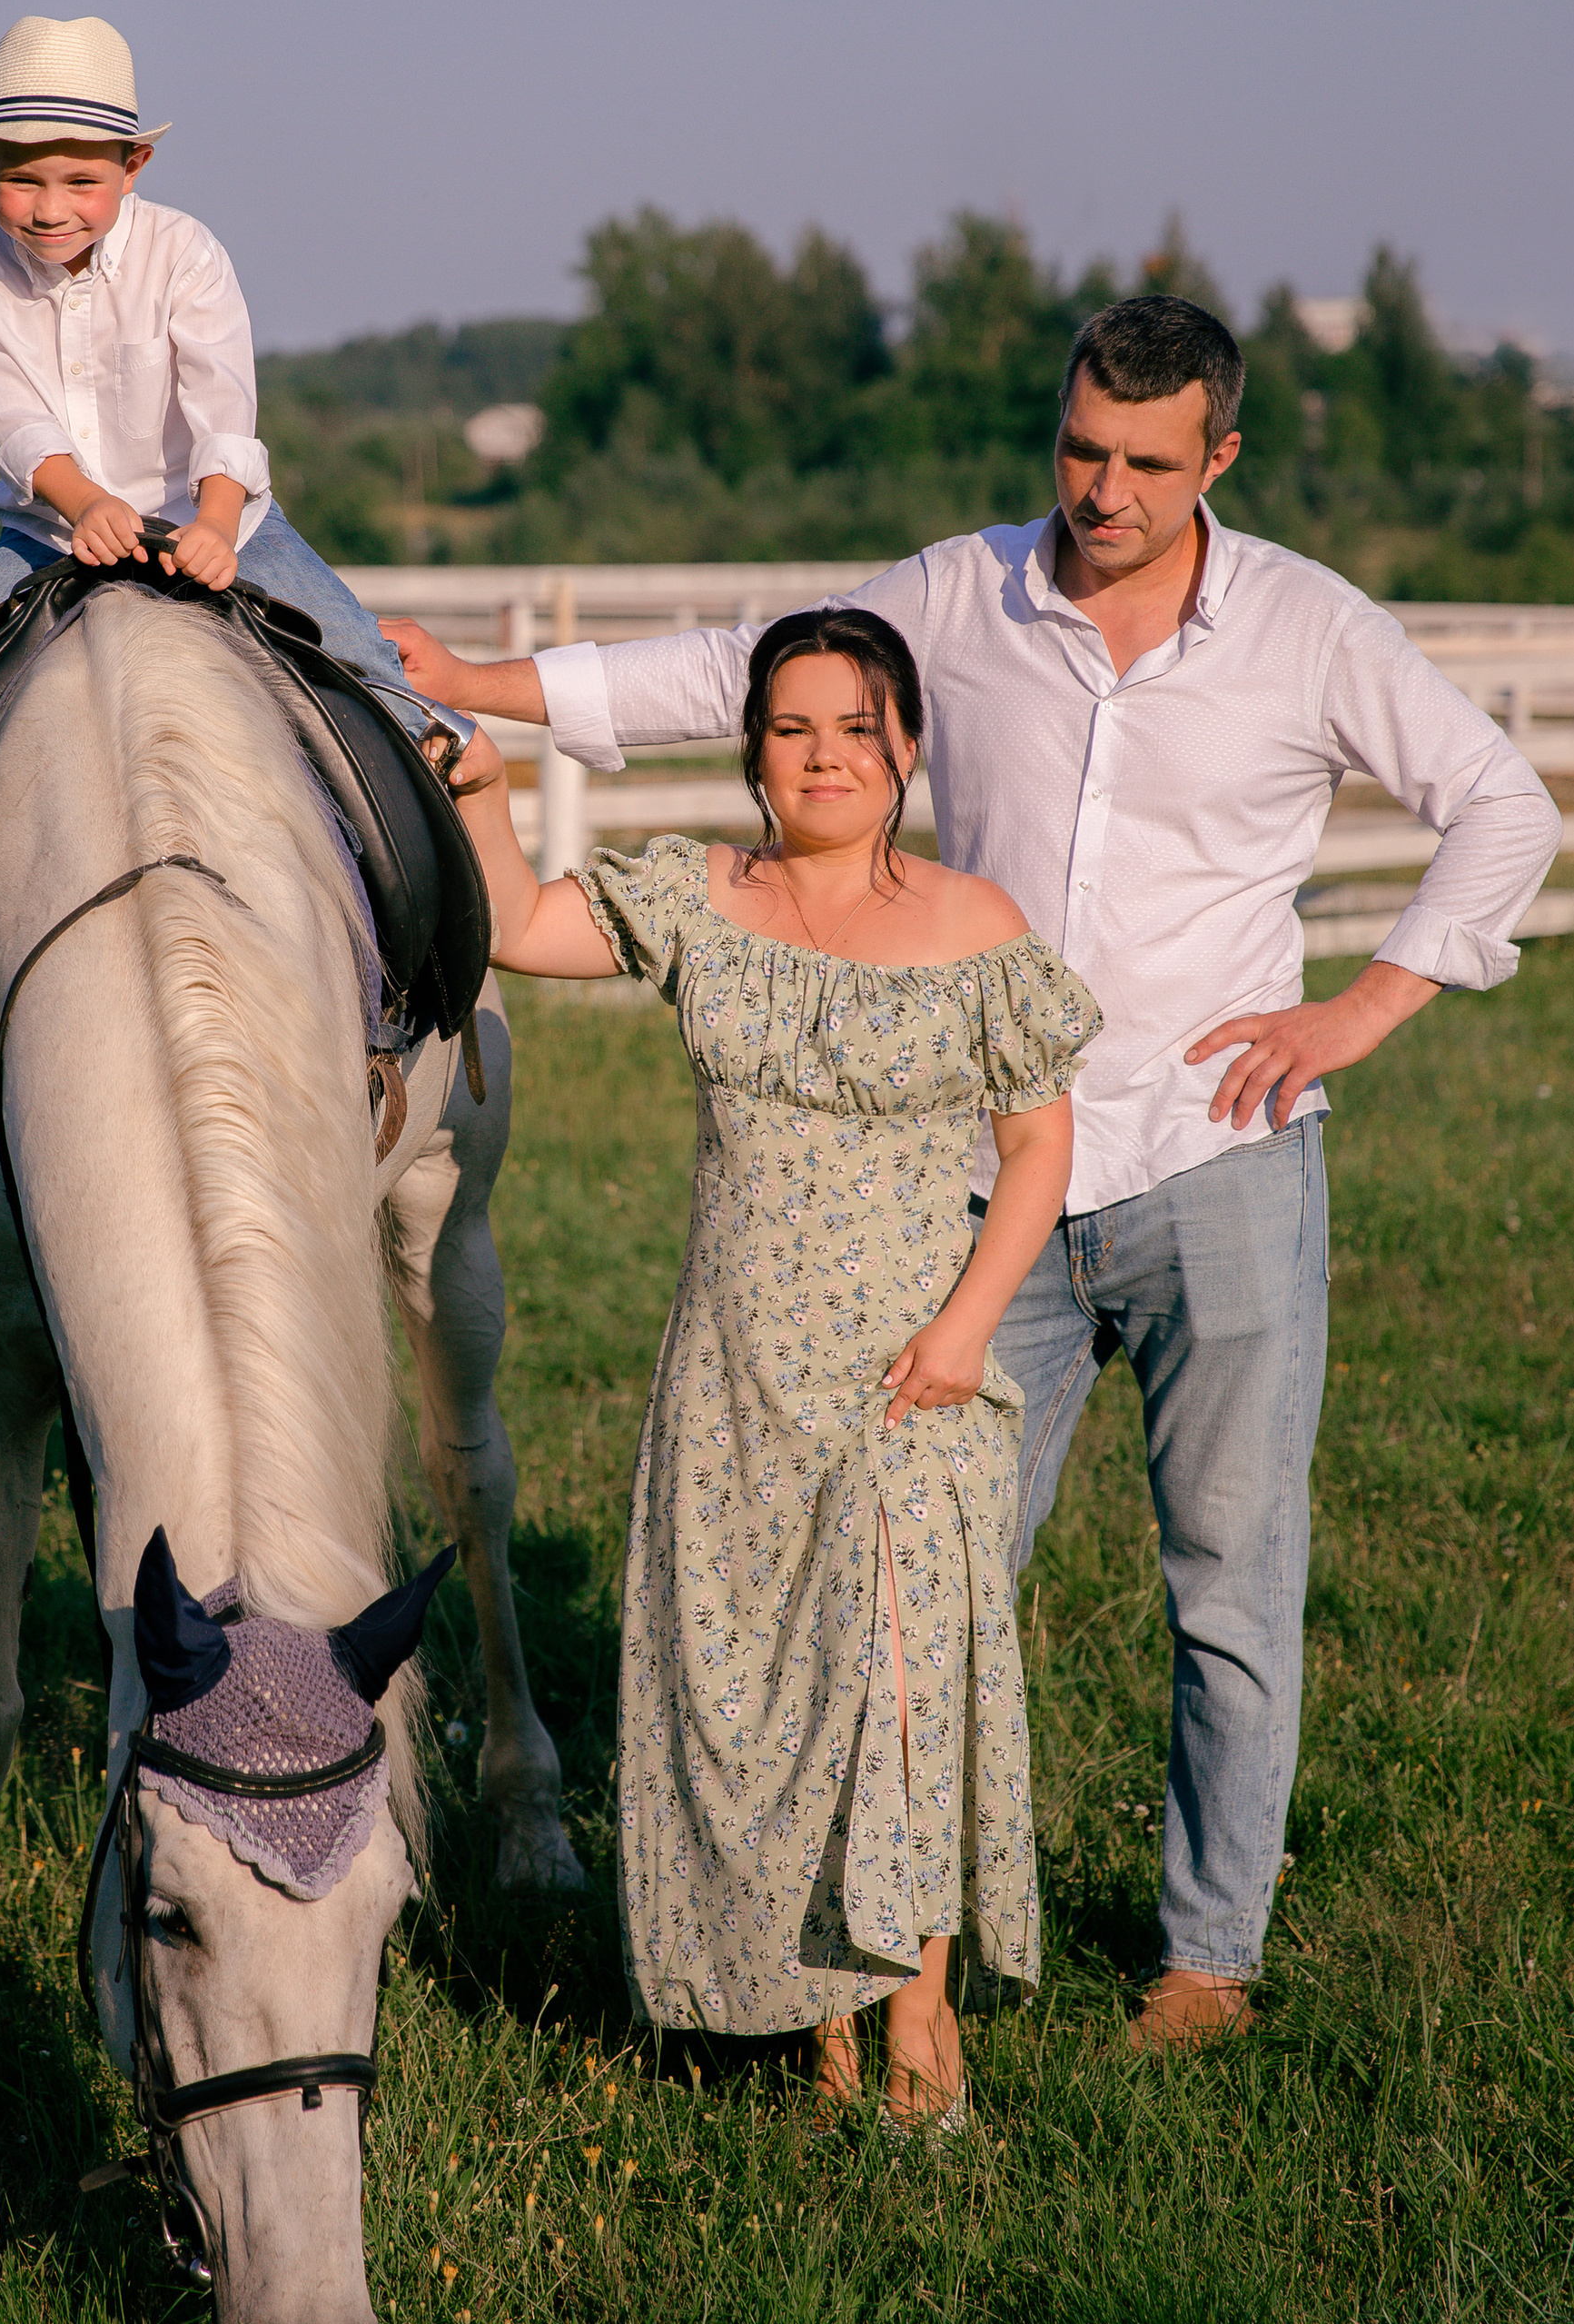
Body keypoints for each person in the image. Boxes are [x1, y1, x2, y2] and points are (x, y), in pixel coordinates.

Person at [391, 294, 1563, 2049]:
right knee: (914, 1605)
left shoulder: (1311, 630)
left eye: (1146, 463)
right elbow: (743, 670)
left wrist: (1365, 1009)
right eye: (1082, 447)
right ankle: (868, 1961)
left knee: (1230, 1576)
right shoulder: (964, 595)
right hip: (966, 1212)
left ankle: (1206, 1954)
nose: (1102, 488)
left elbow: (1505, 806)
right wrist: (489, 690)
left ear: (1218, 460)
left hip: (1214, 1165)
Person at [451, 610, 1100, 2129]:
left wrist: (963, 1332)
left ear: (909, 750)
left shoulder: (975, 923)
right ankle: (811, 2022)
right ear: (755, 748)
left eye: (857, 730)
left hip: (908, 1371)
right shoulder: (700, 894)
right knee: (760, 1689)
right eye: (794, 727)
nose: (825, 757)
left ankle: (920, 2015)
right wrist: (482, 796)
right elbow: (523, 931)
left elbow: (1038, 1147)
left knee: (902, 1684)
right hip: (735, 1371)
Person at [0, 14, 467, 756]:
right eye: (21, 180)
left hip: (211, 521)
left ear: (132, 166)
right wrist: (85, 505)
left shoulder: (184, 252)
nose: (50, 209)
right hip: (51, 535)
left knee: (365, 663)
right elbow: (11, 413)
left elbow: (223, 406)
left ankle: (446, 809)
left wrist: (213, 525)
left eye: (82, 181)